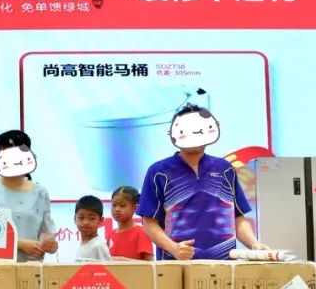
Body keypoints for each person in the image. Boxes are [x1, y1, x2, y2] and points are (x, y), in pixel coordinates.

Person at [137, 104, 266, 260]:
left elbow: (238, 218)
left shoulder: (224, 169)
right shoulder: (159, 172)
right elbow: (149, 221)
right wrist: (174, 248)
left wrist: (254, 245)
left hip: (225, 264)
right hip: (175, 264)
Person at [0, 129, 58, 261]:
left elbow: (46, 232)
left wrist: (49, 244)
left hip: (31, 267)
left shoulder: (40, 192)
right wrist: (19, 243)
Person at [108, 186, 154, 261]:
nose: (117, 209)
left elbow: (150, 264)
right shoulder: (111, 235)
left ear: (135, 207)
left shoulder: (142, 233)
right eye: (114, 205)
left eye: (122, 206)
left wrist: (120, 261)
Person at [74, 195, 111, 262]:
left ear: (101, 221)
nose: (85, 222)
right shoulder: (83, 243)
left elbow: (107, 268)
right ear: (74, 219)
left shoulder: (98, 246)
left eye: (92, 218)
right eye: (81, 218)